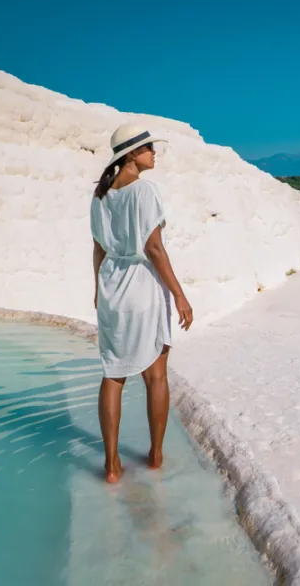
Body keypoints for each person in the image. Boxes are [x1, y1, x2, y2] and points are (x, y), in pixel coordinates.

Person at [91, 124, 193, 484]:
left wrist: (97, 290)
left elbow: (98, 248)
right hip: (142, 285)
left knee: (113, 373)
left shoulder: (101, 195)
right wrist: (180, 295)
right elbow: (153, 249)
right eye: (148, 147)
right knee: (155, 374)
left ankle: (112, 464)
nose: (154, 152)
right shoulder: (145, 191)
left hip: (112, 284)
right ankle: (155, 456)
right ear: (132, 154)